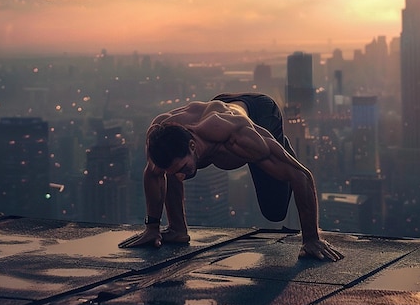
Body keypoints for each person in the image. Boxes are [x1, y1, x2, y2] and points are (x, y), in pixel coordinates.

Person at [119, 93, 343, 261]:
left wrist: (312, 239)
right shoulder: (159, 134)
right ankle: (178, 230)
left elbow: (302, 176)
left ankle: (280, 145)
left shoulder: (237, 138)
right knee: (173, 174)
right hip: (221, 106)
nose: (180, 174)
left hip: (260, 112)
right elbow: (154, 175)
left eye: (183, 166)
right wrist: (152, 227)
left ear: (192, 145)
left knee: (274, 211)